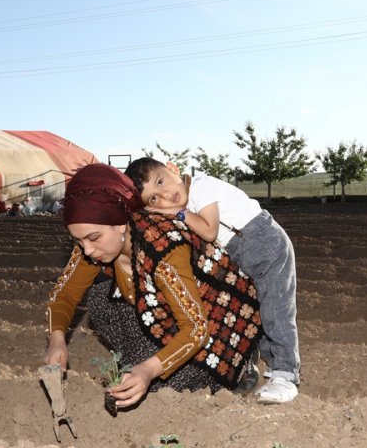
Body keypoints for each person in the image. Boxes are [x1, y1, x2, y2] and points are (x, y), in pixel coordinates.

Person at [44, 163, 262, 409]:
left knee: (159, 390)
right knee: (100, 298)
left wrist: (148, 370)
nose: (88, 250)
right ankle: (140, 358)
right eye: (78, 241)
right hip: (165, 314)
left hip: (220, 323)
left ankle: (242, 362)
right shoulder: (93, 246)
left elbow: (196, 329)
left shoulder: (163, 248)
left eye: (93, 238)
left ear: (119, 223)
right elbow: (64, 294)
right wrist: (57, 339)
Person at [125, 157, 300, 404]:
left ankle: (286, 375)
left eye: (161, 181)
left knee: (276, 309)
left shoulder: (200, 186)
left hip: (265, 243)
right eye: (154, 199)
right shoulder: (185, 201)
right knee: (257, 308)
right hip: (242, 252)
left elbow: (209, 230)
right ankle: (272, 363)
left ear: (173, 168)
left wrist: (175, 212)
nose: (165, 195)